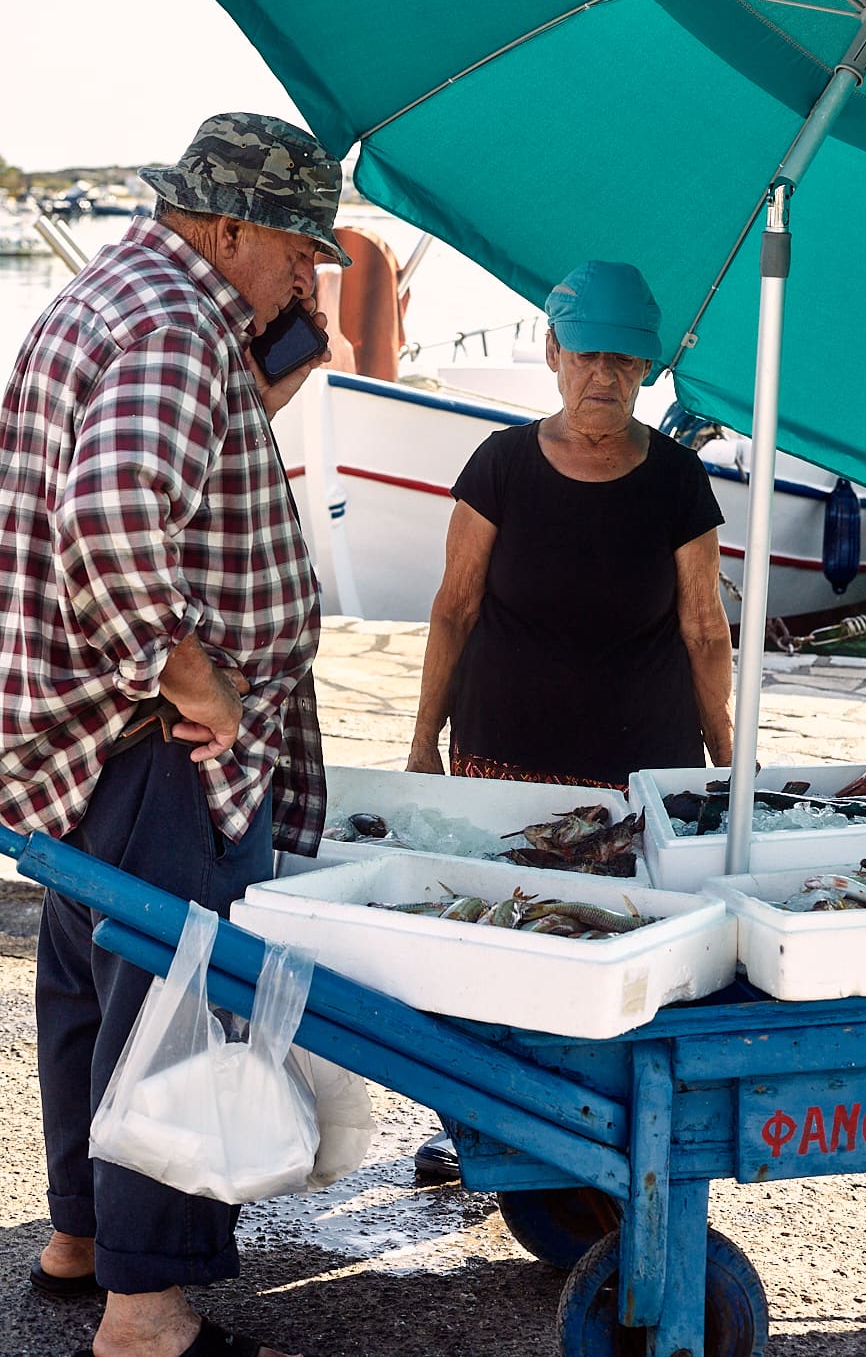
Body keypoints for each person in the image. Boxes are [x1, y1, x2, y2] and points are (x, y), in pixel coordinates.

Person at [0, 113, 351, 1357]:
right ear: (231, 227)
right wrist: (190, 670)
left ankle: (84, 1238)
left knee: (90, 984)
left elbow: (136, 467)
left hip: (81, 733)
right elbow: (109, 508)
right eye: (299, 246)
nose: (306, 275)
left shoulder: (117, 295)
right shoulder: (172, 322)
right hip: (157, 735)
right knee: (174, 996)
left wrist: (265, 380)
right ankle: (145, 1314)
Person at [405, 260, 734, 1178]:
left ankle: (601, 1122)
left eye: (626, 362)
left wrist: (726, 762)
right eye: (588, 354)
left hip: (638, 765)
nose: (605, 377)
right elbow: (454, 608)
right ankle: (472, 1118)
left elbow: (705, 627)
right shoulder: (499, 467)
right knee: (495, 935)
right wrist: (422, 738)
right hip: (505, 755)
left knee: (620, 940)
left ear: (647, 369)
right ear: (552, 352)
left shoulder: (676, 480)